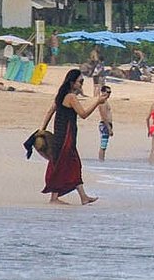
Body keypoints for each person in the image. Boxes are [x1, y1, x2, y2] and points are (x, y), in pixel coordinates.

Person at [39, 68, 106, 205]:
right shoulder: (71, 97)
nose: (81, 84)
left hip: (60, 135)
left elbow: (50, 111)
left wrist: (42, 129)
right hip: (66, 137)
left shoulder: (60, 95)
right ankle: (56, 198)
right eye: (80, 81)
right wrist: (97, 102)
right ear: (72, 83)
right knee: (68, 164)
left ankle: (82, 197)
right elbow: (83, 114)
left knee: (68, 164)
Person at [97, 86, 113, 162]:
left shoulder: (104, 101)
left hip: (106, 124)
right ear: (103, 92)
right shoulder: (103, 102)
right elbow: (104, 116)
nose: (109, 94)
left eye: (110, 92)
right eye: (107, 92)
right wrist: (109, 128)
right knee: (103, 145)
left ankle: (101, 160)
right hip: (105, 125)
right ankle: (101, 161)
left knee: (104, 145)